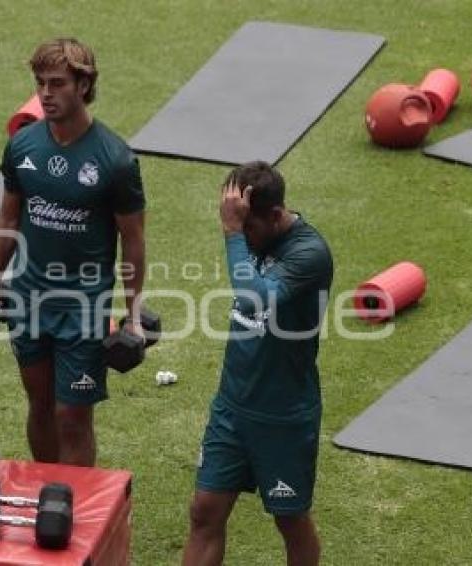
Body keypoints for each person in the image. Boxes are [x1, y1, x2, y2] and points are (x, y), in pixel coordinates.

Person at [0, 38, 147, 467]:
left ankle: (74, 514)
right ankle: (47, 495)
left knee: (71, 415)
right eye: (40, 83)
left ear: (83, 85)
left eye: (57, 83)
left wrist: (133, 312)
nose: (46, 94)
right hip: (29, 299)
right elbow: (7, 219)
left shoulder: (115, 160)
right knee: (39, 405)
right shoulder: (23, 147)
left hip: (84, 307)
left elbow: (132, 239)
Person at [182, 161, 333, 566]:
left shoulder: (310, 254)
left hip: (283, 418)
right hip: (232, 407)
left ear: (275, 214)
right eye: (238, 227)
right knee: (204, 510)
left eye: (249, 228)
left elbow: (253, 297)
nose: (243, 239)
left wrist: (233, 233)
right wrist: (239, 233)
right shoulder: (258, 237)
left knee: (290, 519)